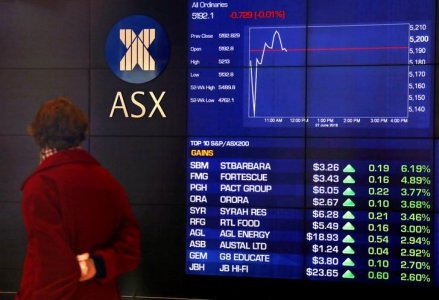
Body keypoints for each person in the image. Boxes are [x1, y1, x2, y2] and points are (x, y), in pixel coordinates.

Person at [16, 97, 141, 299]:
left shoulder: (40, 186)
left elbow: (50, 267)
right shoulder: (107, 181)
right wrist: (97, 265)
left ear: (38, 134)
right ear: (81, 132)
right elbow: (130, 245)